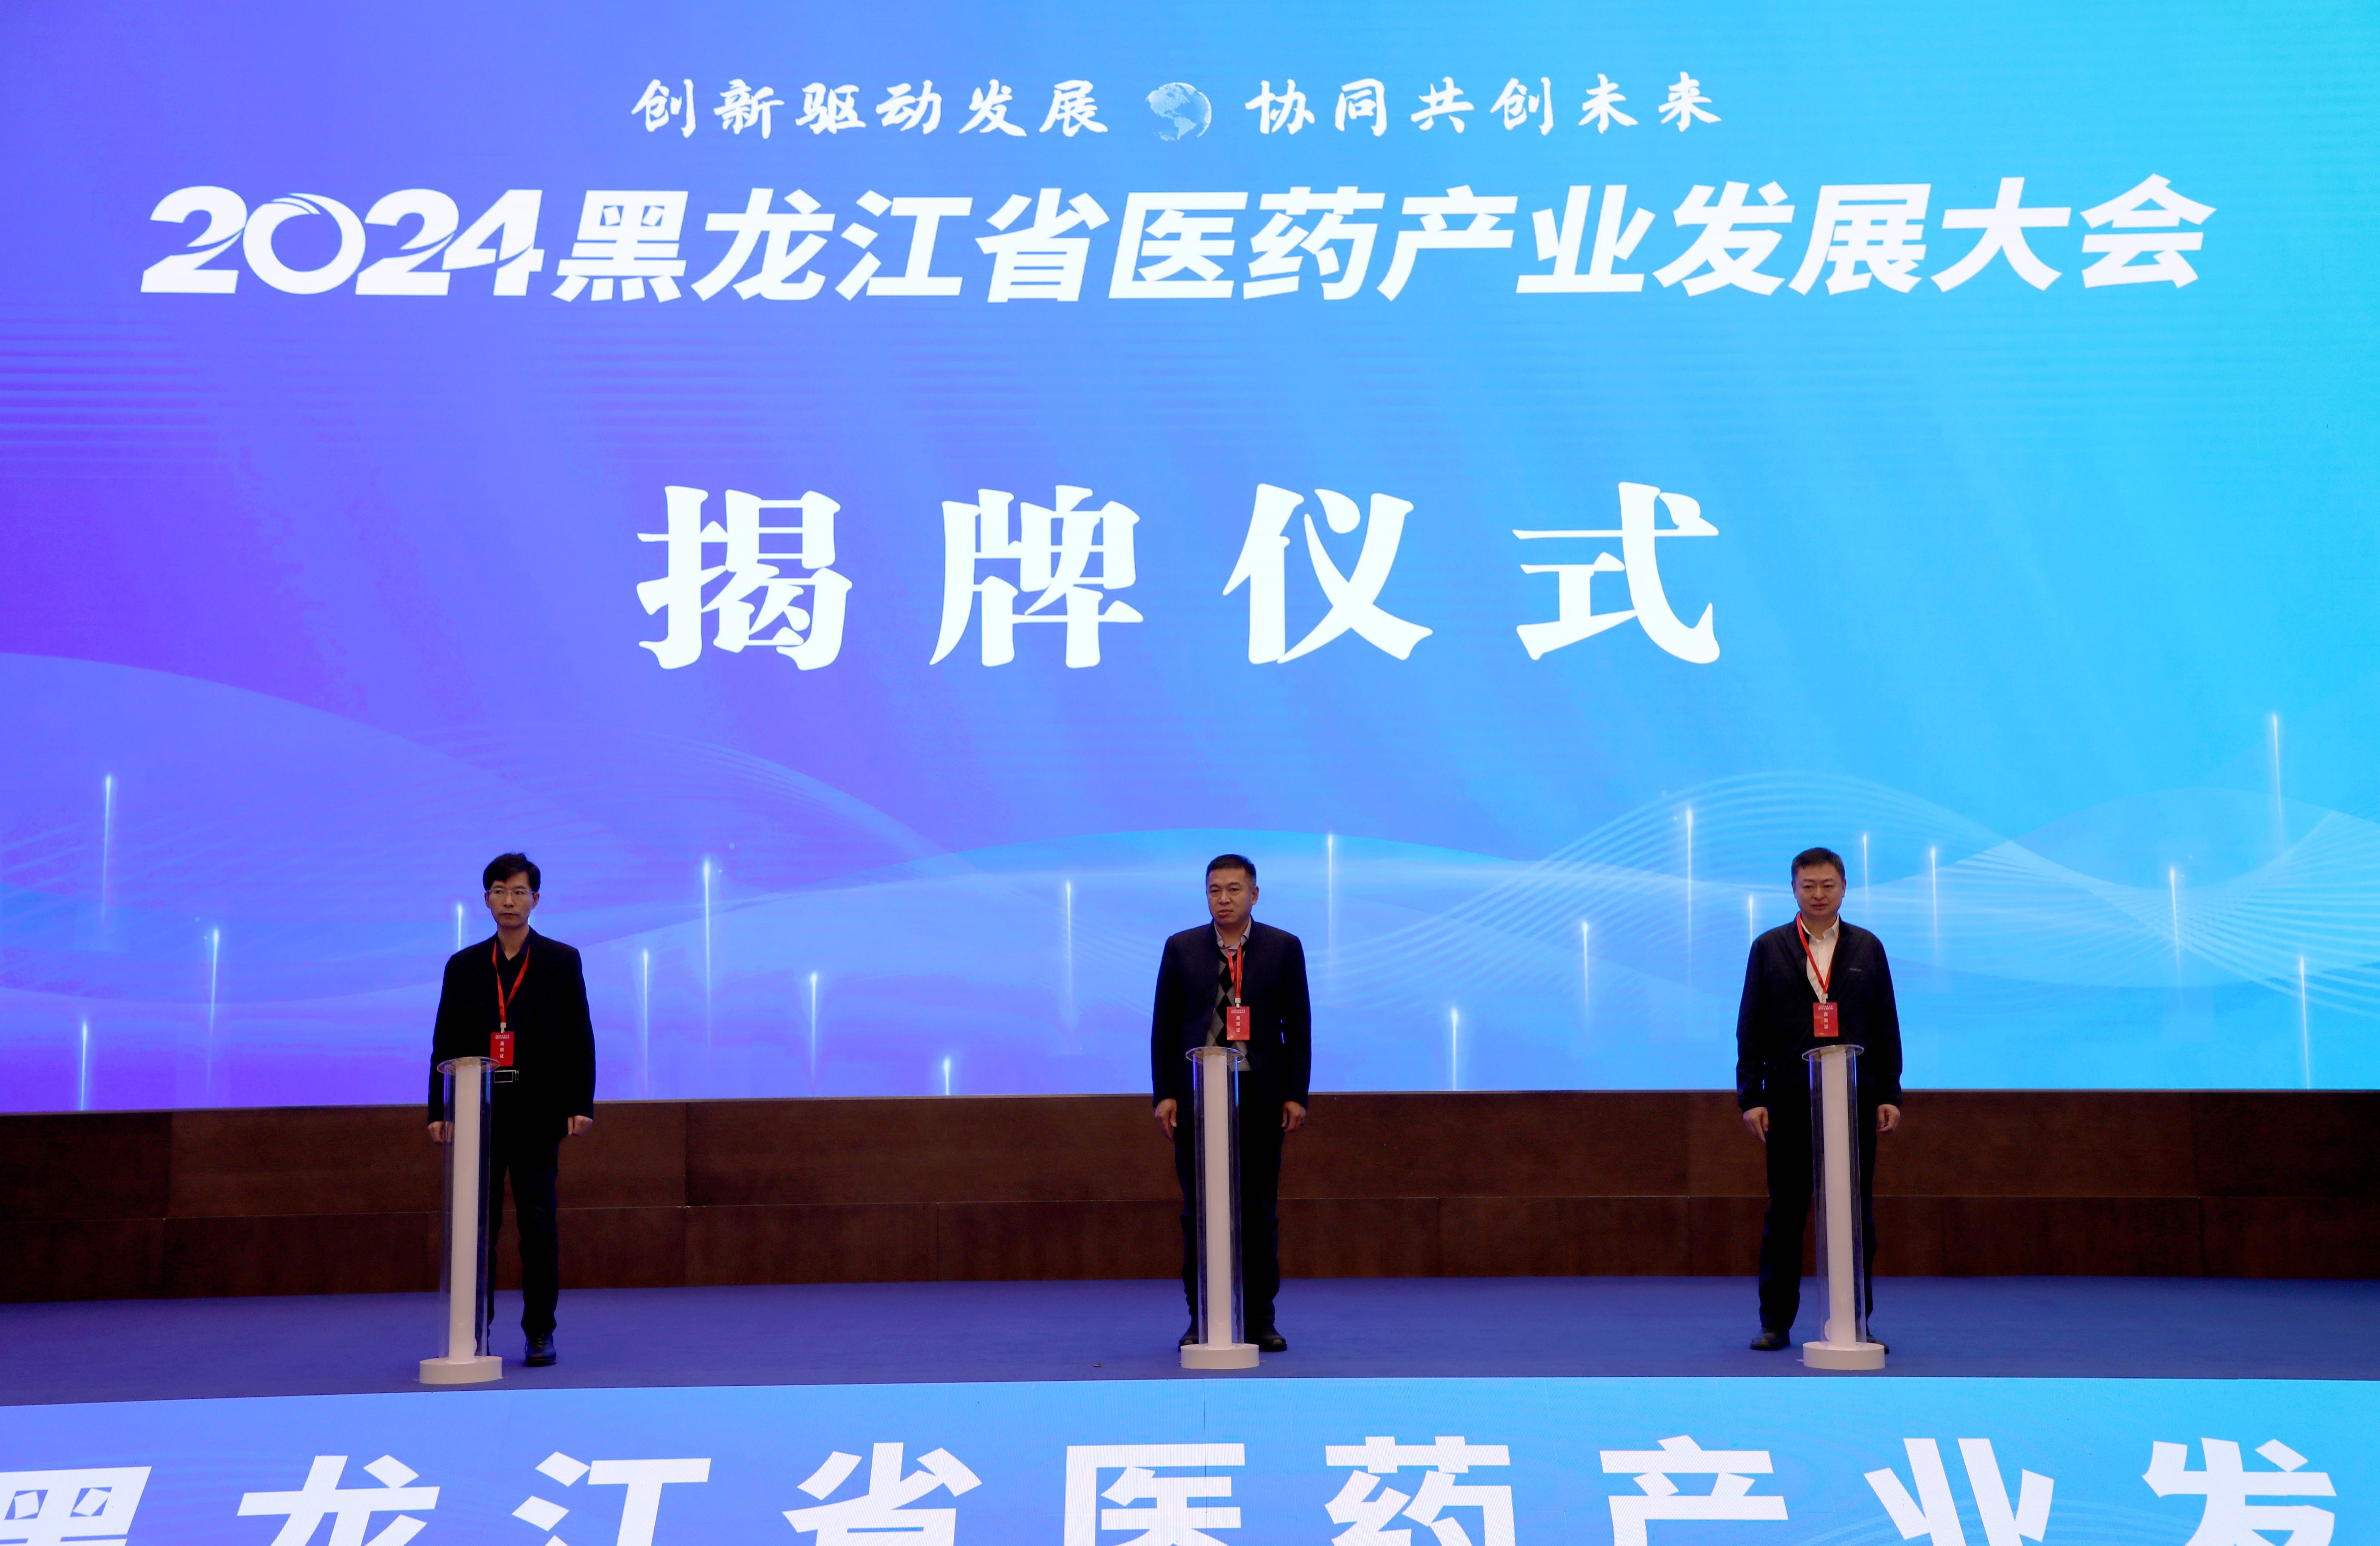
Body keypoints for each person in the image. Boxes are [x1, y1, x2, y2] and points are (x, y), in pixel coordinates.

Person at [425, 853, 595, 1367]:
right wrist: (439, 1109)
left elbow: (579, 1039)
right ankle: (475, 1331)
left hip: (538, 1114)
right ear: (486, 900)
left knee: (538, 1228)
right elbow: (444, 1042)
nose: (509, 901)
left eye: (519, 892)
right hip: (479, 1115)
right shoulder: (463, 967)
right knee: (479, 1231)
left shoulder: (561, 961)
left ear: (535, 900)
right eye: (500, 891)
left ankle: (540, 1332)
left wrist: (580, 1104)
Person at [1734, 846, 1902, 1352]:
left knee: (1857, 1216)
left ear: (1845, 888)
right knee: (1785, 1214)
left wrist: (1890, 1091)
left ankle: (1855, 1323)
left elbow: (1886, 1023)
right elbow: (1751, 1026)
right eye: (1808, 886)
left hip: (1854, 1099)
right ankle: (1775, 1322)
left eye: (1828, 885)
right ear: (1793, 889)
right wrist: (1751, 1096)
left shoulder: (1868, 947)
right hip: (1788, 1101)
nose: (1819, 894)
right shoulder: (1769, 947)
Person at [1150, 854, 1310, 1353]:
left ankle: (1261, 1319)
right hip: (1197, 1100)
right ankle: (1201, 1319)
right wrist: (1165, 1093)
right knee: (1198, 1212)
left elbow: (1298, 1027)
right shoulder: (1182, 948)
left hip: (1260, 1096)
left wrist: (1295, 1094)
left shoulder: (1283, 947)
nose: (1224, 899)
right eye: (1215, 890)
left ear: (1254, 895)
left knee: (1258, 1211)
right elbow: (1165, 1027)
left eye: (1234, 890)